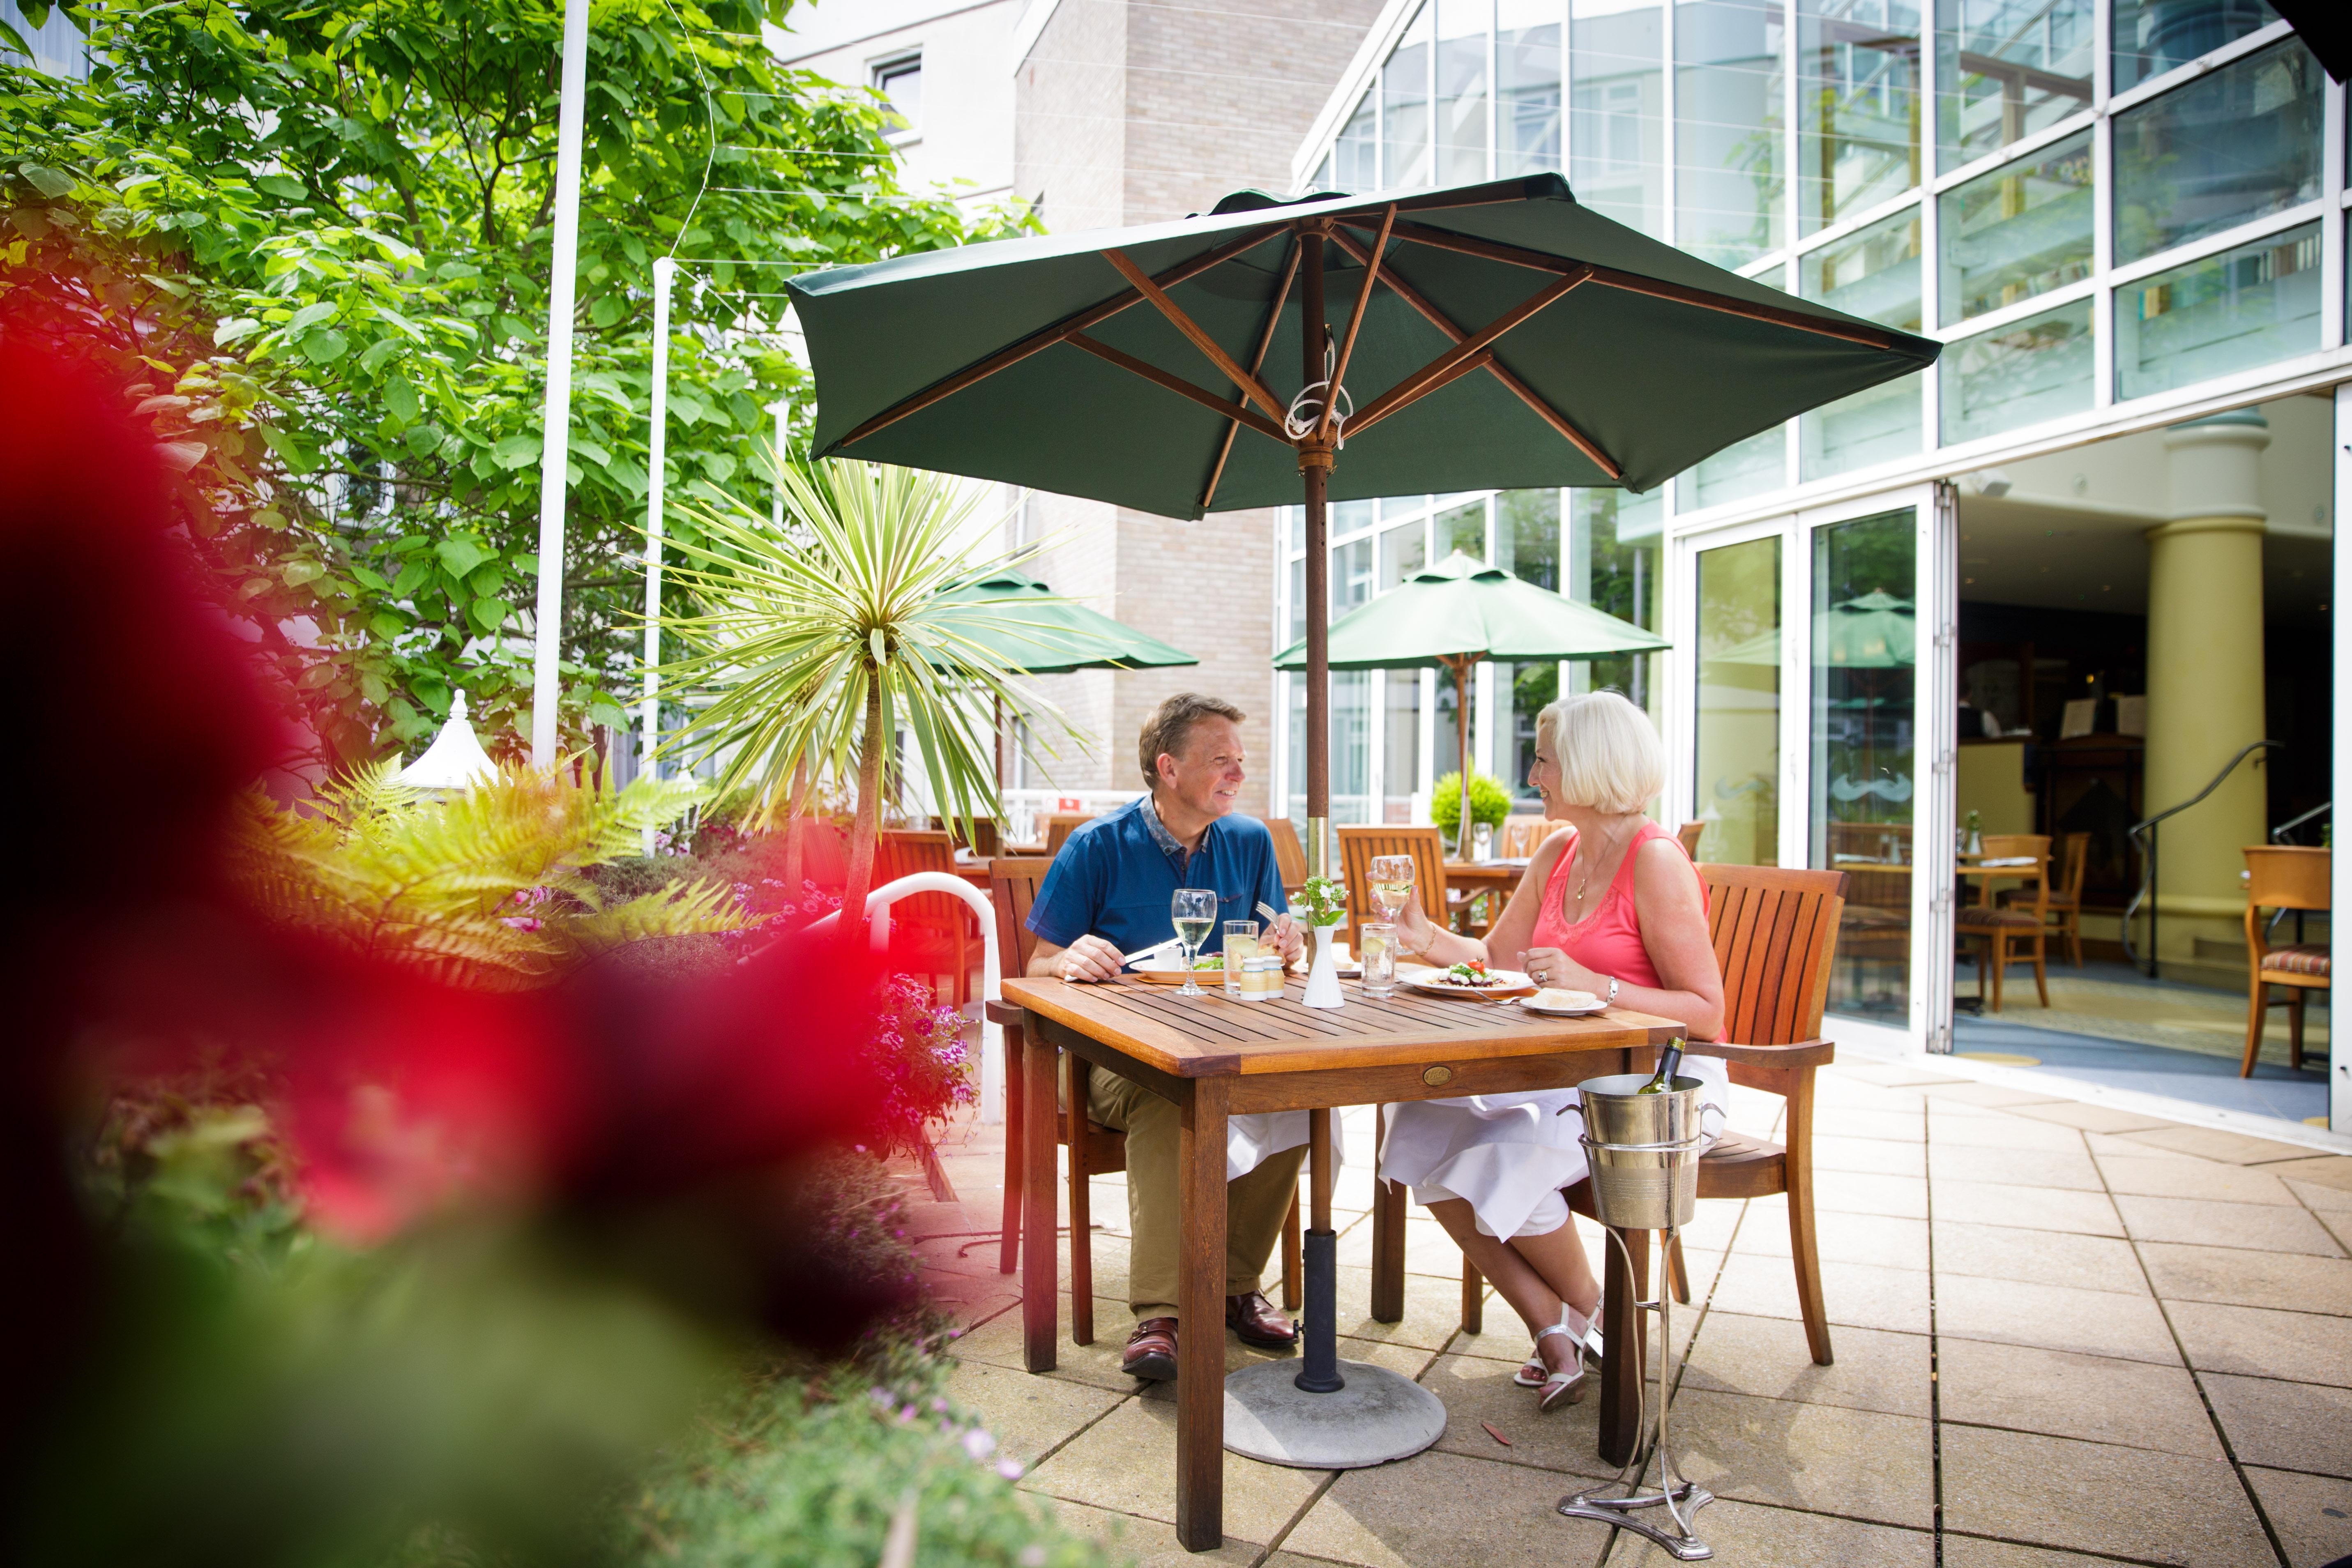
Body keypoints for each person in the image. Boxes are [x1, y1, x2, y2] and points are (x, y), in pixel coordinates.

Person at [1380, 691, 1727, 1411]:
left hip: (1650, 1088)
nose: (1532, 774)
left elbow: (1706, 1014)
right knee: (1418, 1120)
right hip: (1560, 1072)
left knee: (1503, 1150)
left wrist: (1599, 985)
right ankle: (1554, 1328)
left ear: (1589, 766)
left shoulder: (1654, 861)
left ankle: (1606, 1318)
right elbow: (1496, 958)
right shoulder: (1556, 852)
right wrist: (1425, 939)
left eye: (1543, 759)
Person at [1025, 692, 1311, 1380]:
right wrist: (1066, 960)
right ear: (1168, 768)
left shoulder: (1249, 842)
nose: (1238, 775)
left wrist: (1291, 940)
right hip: (1115, 1065)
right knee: (1169, 1094)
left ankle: (1235, 1286)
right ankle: (1161, 1312)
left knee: (1294, 1093)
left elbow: (1278, 945)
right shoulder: (1097, 846)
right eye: (1221, 761)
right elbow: (1034, 965)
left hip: (1224, 1042)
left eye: (1240, 761)